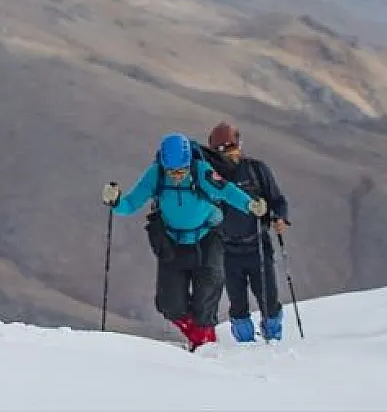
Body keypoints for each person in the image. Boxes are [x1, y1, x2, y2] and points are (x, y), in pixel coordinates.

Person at [101, 132, 266, 351]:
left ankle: (205, 343)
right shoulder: (156, 175)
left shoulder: (201, 172)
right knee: (169, 304)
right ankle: (200, 337)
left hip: (207, 238)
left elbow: (226, 191)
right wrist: (115, 201)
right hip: (172, 242)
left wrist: (250, 205)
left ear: (189, 163)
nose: (177, 175)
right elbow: (130, 204)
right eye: (172, 171)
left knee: (206, 294)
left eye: (181, 170)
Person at [206, 121, 291, 342]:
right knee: (237, 302)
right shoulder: (211, 178)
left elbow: (277, 199)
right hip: (227, 248)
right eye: (224, 151)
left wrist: (280, 218)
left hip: (258, 245)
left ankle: (273, 338)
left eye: (234, 148)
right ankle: (245, 344)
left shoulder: (256, 170)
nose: (231, 155)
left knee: (268, 298)